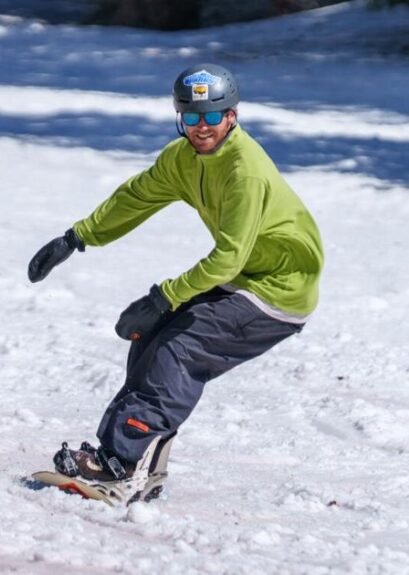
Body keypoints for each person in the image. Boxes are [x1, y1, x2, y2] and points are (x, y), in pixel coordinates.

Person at [28, 63, 323, 501]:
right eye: (190, 118)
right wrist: (77, 237)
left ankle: (122, 465)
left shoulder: (245, 171)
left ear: (232, 116)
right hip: (246, 278)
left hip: (279, 289)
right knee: (150, 338)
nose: (201, 128)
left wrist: (164, 295)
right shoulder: (182, 159)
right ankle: (132, 459)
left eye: (211, 117)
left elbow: (228, 257)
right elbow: (136, 197)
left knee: (178, 350)